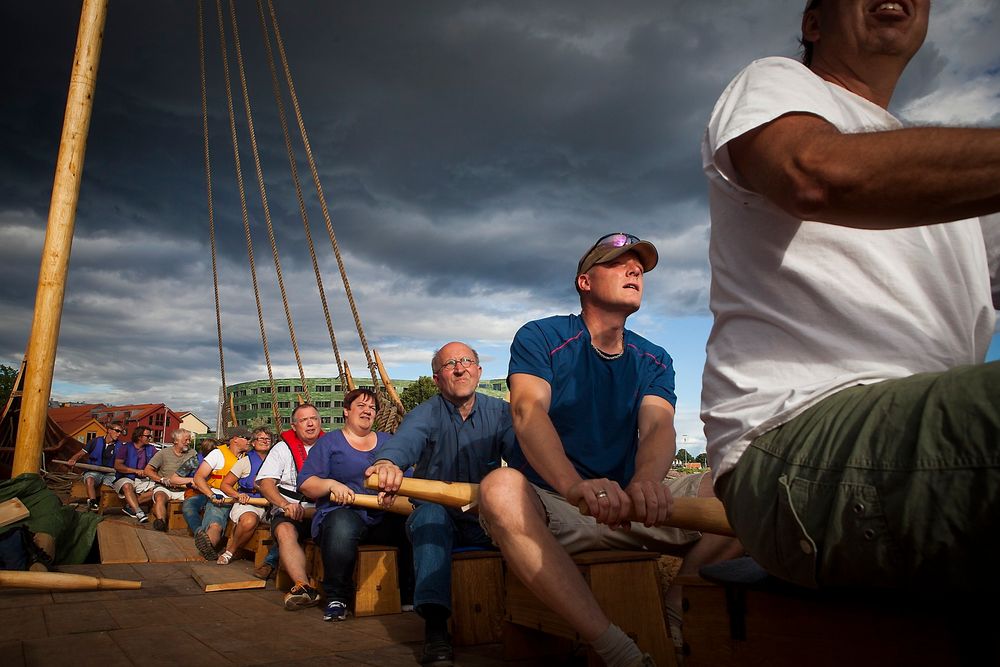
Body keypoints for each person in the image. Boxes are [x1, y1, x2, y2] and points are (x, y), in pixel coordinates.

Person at [700, 0, 999, 592]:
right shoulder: (773, 83)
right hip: (792, 442)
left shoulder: (952, 185)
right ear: (814, 24)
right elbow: (812, 174)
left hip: (910, 440)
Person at [478, 234, 741, 667]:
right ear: (585, 281)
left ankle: (676, 612)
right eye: (618, 263)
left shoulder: (655, 358)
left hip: (627, 504)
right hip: (558, 505)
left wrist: (646, 483)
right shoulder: (541, 336)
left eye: (639, 267)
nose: (634, 270)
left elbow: (658, 425)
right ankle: (616, 648)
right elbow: (527, 410)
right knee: (499, 488)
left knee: (744, 484)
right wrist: (574, 486)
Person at [368, 342, 517, 666]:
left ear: (478, 371)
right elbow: (403, 444)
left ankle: (527, 620)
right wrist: (387, 464)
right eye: (450, 364)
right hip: (435, 520)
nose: (459, 368)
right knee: (431, 517)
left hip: (483, 521)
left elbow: (525, 456)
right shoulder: (425, 414)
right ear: (437, 379)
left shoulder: (501, 413)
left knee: (525, 519)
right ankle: (435, 628)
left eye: (466, 361)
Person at [299, 388, 415, 622]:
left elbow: (409, 477)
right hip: (341, 513)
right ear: (346, 411)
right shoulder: (329, 443)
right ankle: (337, 597)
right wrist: (331, 484)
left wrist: (394, 490)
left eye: (372, 407)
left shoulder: (388, 443)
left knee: (412, 523)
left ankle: (408, 592)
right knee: (342, 526)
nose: (367, 411)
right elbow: (306, 483)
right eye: (361, 406)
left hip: (381, 515)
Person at [256, 403, 323, 609]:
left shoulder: (330, 446)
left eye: (314, 418)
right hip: (291, 510)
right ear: (294, 426)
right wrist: (285, 505)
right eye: (304, 420)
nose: (310, 424)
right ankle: (303, 586)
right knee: (285, 530)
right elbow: (266, 483)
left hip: (322, 509)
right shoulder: (282, 448)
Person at [216, 428, 278, 574]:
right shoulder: (245, 461)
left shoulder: (277, 461)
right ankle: (231, 551)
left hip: (272, 504)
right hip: (249, 503)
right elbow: (225, 485)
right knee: (250, 520)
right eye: (261, 438)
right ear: (253, 443)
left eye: (268, 439)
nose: (265, 441)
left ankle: (271, 563)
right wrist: (238, 495)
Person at [189, 428, 252, 560]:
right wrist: (211, 495)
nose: (249, 441)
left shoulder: (251, 457)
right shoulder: (217, 454)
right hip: (220, 498)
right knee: (215, 524)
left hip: (244, 500)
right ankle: (208, 546)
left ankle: (229, 549)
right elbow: (199, 477)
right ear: (235, 439)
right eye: (246, 438)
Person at [143, 428, 197, 531]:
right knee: (160, 498)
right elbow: (148, 470)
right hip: (164, 487)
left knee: (194, 501)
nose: (188, 442)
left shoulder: (192, 453)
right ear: (176, 441)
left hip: (184, 488)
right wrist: (161, 479)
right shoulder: (163, 453)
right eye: (185, 440)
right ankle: (161, 522)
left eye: (189, 440)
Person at [66, 421, 126, 511]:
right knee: (90, 479)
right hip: (94, 471)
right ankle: (93, 502)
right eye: (117, 431)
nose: (119, 434)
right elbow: (80, 453)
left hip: (110, 474)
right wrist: (73, 459)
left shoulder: (121, 446)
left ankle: (127, 505)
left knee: (122, 485)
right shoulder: (94, 441)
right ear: (109, 430)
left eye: (120, 432)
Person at [113, 427, 158, 523]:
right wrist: (135, 471)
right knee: (127, 486)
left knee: (158, 490)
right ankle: (139, 512)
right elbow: (117, 465)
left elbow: (159, 462)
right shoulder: (125, 448)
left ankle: (130, 506)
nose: (150, 438)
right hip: (125, 477)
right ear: (139, 437)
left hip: (143, 480)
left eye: (150, 436)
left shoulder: (151, 449)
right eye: (147, 436)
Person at [177, 437, 217, 534]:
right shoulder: (194, 461)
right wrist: (195, 481)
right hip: (197, 492)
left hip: (218, 493)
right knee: (189, 507)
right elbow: (174, 479)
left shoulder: (223, 460)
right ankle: (199, 532)